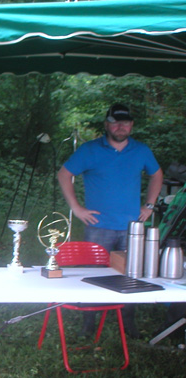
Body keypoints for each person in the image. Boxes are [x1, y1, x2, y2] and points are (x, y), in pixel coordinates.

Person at [58, 103, 163, 338]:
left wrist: (149, 205)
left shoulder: (141, 150)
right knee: (92, 275)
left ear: (131, 125)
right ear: (107, 124)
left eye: (125, 122)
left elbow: (157, 174)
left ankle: (128, 324)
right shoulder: (90, 149)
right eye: (115, 122)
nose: (120, 126)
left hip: (131, 227)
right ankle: (88, 323)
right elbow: (64, 174)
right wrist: (76, 207)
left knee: (131, 275)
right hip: (98, 226)